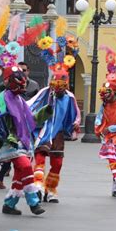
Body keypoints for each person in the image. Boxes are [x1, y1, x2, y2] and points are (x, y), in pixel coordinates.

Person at [0, 66, 52, 216]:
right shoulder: (3, 98)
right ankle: (33, 201)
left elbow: (30, 120)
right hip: (9, 142)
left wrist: (47, 111)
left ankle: (9, 204)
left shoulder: (20, 100)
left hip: (23, 141)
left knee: (19, 173)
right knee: (24, 166)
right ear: (7, 81)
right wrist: (4, 135)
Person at [28, 69, 80, 203]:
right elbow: (32, 105)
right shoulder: (44, 93)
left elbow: (74, 114)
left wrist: (74, 124)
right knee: (39, 159)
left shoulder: (69, 97)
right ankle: (38, 186)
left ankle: (50, 189)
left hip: (57, 133)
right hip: (42, 131)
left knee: (57, 163)